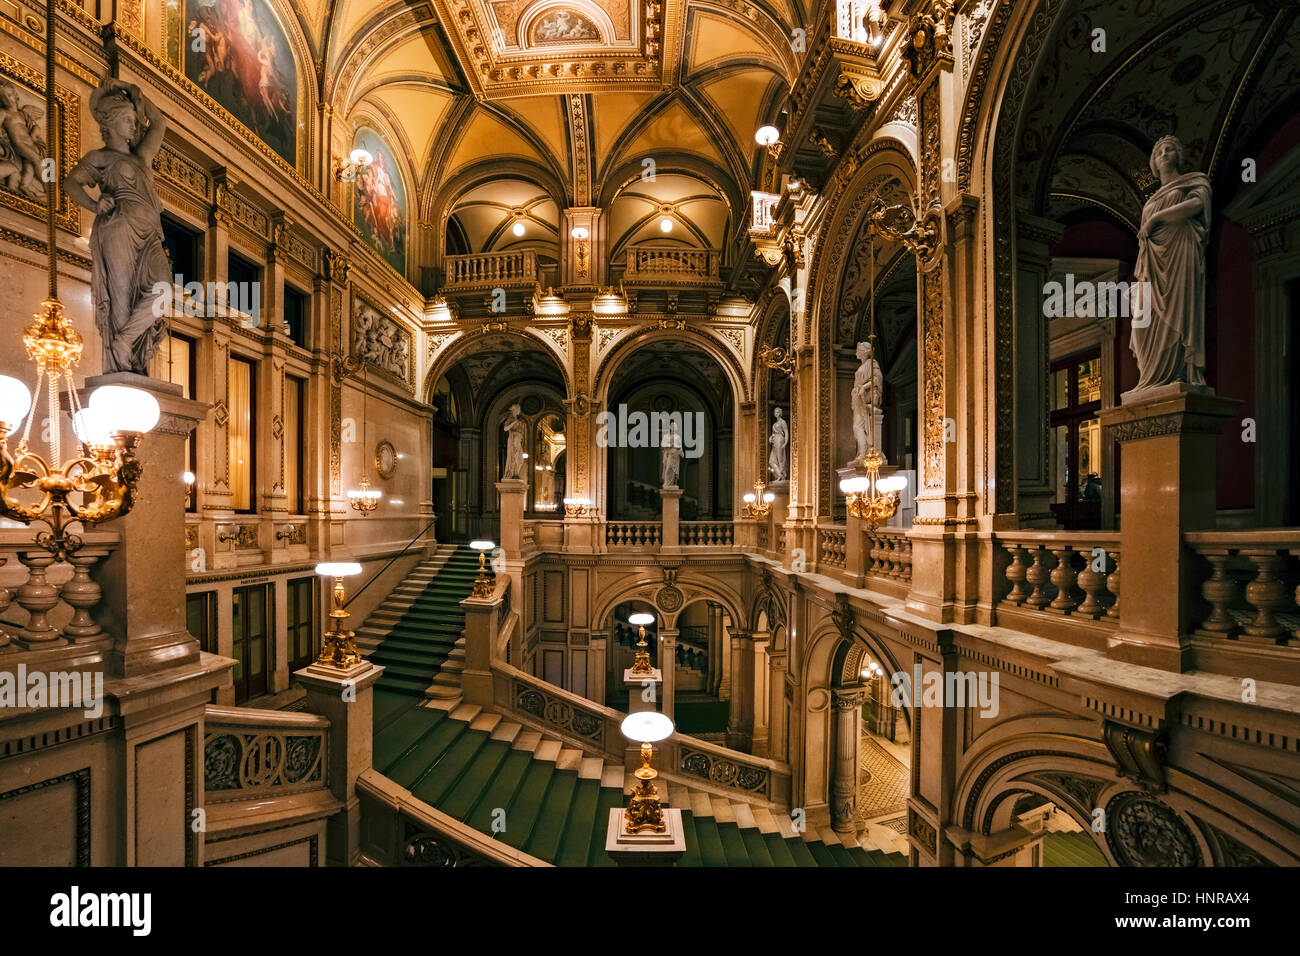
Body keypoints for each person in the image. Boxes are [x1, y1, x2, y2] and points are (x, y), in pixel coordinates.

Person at [65, 80, 170, 374]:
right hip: (119, 228)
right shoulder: (99, 158)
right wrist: (94, 204)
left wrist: (134, 91)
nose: (134, 126)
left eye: (134, 120)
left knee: (163, 290)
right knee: (121, 299)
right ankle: (124, 367)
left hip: (149, 234)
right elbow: (70, 183)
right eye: (127, 120)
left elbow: (159, 124)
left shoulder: (141, 156)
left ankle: (124, 341)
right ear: (110, 124)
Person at [1129, 134, 1212, 391]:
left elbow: (1198, 204)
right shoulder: (1150, 200)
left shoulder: (1194, 181)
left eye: (1169, 150)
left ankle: (1177, 372)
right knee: (1141, 325)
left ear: (1179, 155)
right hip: (1152, 262)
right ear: (1154, 163)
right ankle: (1149, 380)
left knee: (1177, 313)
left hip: (1180, 253)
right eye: (1158, 152)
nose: (1163, 154)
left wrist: (1156, 219)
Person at [502, 403, 526, 479]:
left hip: (518, 439)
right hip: (513, 439)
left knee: (520, 459)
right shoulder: (511, 418)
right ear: (514, 410)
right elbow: (505, 429)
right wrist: (513, 423)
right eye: (518, 409)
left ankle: (516, 473)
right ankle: (511, 473)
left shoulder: (518, 419)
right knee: (513, 456)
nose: (519, 411)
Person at [661, 420, 683, 489]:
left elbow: (680, 446)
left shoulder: (678, 437)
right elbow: (662, 444)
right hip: (669, 454)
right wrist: (670, 445)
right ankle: (667, 483)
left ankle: (672, 484)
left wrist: (677, 448)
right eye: (672, 426)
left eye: (675, 427)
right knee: (668, 468)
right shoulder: (666, 436)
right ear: (670, 427)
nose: (674, 428)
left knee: (674, 471)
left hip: (675, 454)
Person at [768, 407, 789, 481]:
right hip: (774, 441)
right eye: (775, 412)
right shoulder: (775, 423)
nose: (776, 413)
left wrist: (785, 443)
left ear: (780, 413)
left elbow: (786, 432)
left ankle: (782, 476)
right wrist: (771, 437)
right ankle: (779, 475)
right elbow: (773, 433)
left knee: (780, 459)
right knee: (771, 461)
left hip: (780, 440)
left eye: (777, 412)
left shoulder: (782, 422)